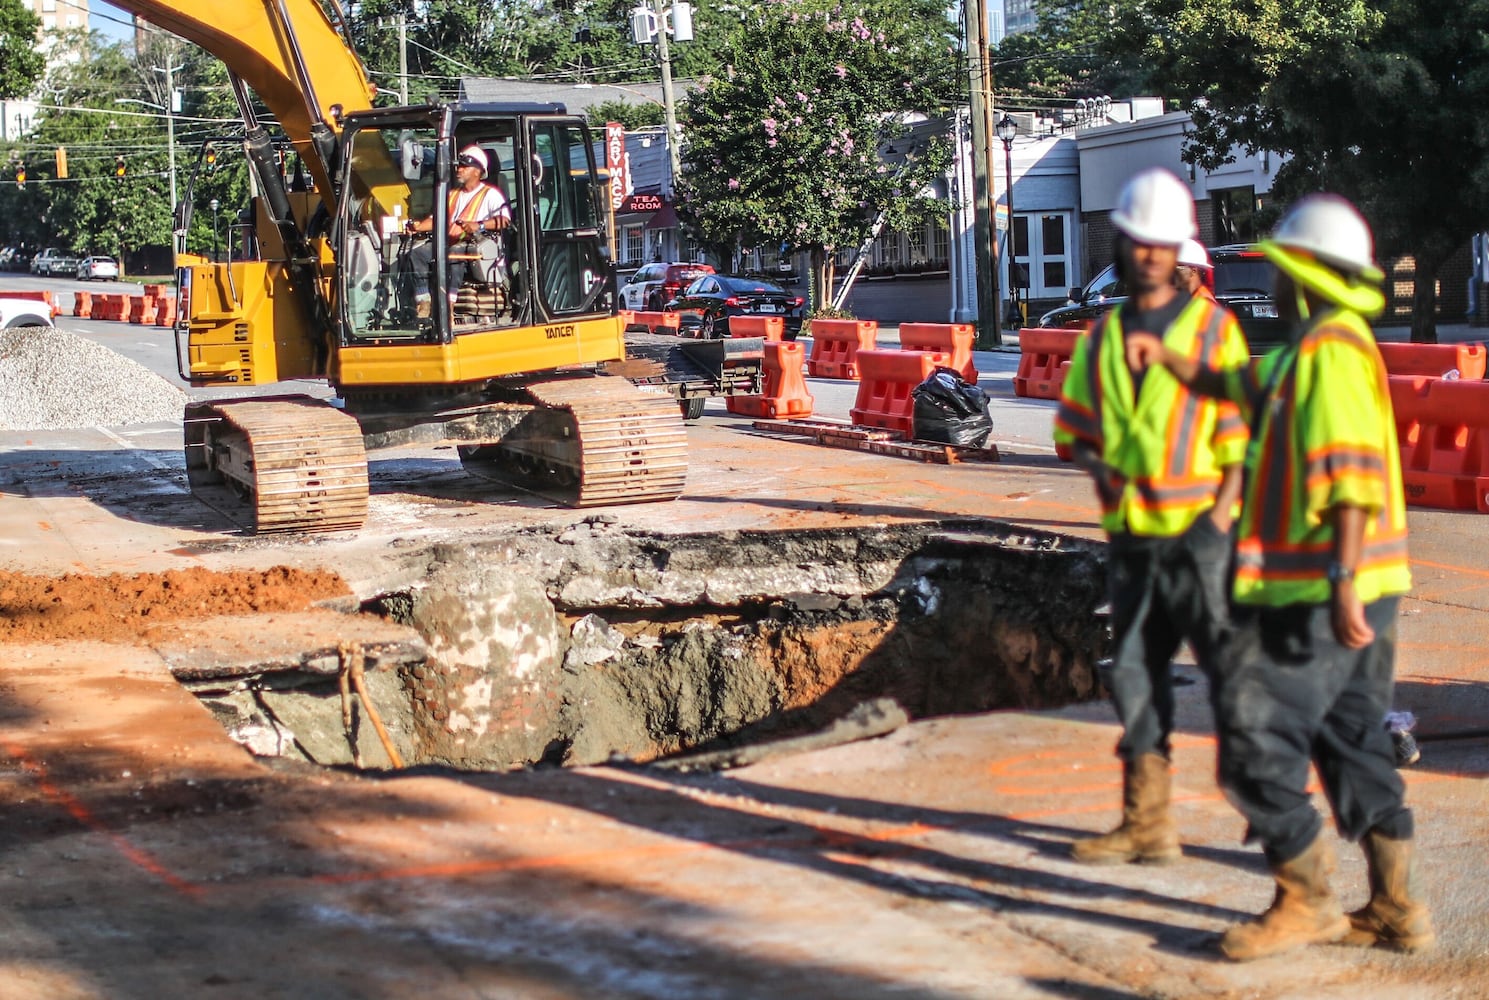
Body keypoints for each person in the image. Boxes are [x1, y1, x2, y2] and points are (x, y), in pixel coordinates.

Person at [1125, 193, 1433, 961]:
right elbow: (1242, 388)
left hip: (1324, 591)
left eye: (1281, 269)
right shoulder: (1317, 350)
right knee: (1354, 738)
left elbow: (1351, 472)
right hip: (1362, 584)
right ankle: (1395, 907)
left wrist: (1340, 579)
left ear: (1306, 275)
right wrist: (1171, 361)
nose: (1271, 282)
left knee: (1257, 738)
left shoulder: (1329, 353)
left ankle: (1306, 900)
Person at [1053, 167, 1250, 866]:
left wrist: (1219, 521)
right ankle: (1148, 821)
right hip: (1134, 533)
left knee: (1231, 676)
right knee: (1135, 671)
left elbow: (1235, 439)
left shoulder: (1213, 334)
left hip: (1198, 533)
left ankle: (1283, 829)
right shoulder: (1105, 336)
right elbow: (1073, 428)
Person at [405, 144, 512, 319]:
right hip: (451, 243)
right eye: (458, 166)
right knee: (417, 253)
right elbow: (436, 220)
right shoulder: (453, 195)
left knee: (454, 254)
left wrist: (479, 225)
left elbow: (505, 221)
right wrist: (417, 227)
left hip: (474, 247)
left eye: (464, 166)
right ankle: (424, 301)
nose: (459, 169)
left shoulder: (490, 195)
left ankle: (449, 305)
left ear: (477, 171)